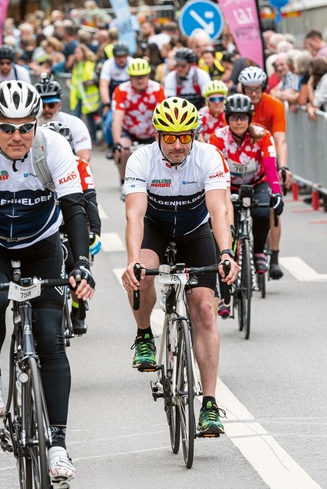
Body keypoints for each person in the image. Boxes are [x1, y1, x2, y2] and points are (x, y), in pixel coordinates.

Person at [0, 80, 94, 485]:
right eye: (7, 127)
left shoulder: (53, 146)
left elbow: (74, 208)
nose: (17, 136)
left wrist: (83, 263)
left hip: (42, 243)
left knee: (52, 336)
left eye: (26, 126)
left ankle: (57, 443)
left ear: (37, 124)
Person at [120, 97, 237, 436]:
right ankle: (144, 334)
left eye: (184, 136)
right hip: (155, 227)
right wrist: (132, 262)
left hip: (194, 231)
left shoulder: (208, 156)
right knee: (142, 273)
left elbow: (218, 210)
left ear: (193, 134)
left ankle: (210, 404)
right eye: (169, 137)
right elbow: (135, 214)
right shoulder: (141, 159)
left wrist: (226, 252)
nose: (176, 144)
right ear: (157, 135)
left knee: (203, 311)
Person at [208, 94, 284, 317]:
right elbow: (214, 171)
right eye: (234, 118)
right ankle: (224, 295)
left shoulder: (262, 135)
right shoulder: (217, 138)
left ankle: (259, 252)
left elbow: (270, 166)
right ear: (227, 118)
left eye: (243, 117)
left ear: (249, 118)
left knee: (262, 212)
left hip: (256, 182)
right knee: (223, 236)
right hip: (227, 185)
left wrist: (277, 193)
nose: (238, 122)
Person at [43, 120, 102, 336]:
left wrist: (94, 232)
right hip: (46, 222)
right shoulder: (36, 162)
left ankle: (78, 308)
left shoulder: (79, 164)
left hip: (70, 221)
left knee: (73, 261)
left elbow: (90, 203)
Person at [237, 66, 289, 279]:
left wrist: (283, 167)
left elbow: (280, 139)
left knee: (271, 208)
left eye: (257, 89)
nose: (253, 94)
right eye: (249, 89)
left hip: (266, 159)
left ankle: (274, 258)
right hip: (239, 163)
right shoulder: (236, 107)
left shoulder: (274, 105)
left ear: (264, 88)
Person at [112, 59, 166, 196]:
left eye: (142, 76)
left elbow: (164, 115)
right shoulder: (121, 90)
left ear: (148, 75)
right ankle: (123, 182)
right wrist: (117, 142)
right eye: (136, 77)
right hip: (130, 131)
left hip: (152, 131)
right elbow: (117, 118)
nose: (139, 80)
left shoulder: (157, 89)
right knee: (123, 150)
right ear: (130, 77)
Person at [36, 74, 93, 161]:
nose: (47, 109)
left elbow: (84, 159)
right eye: (42, 106)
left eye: (51, 105)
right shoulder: (30, 126)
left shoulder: (75, 124)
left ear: (59, 105)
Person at [98, 43, 132, 158]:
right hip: (114, 100)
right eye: (118, 57)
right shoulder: (108, 65)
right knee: (109, 121)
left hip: (130, 99)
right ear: (114, 57)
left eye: (123, 56)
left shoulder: (132, 63)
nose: (121, 59)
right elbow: (103, 85)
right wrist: (107, 103)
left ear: (127, 55)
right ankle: (111, 145)